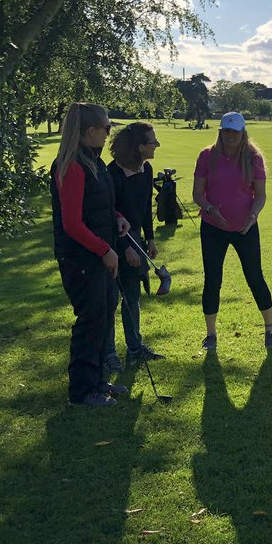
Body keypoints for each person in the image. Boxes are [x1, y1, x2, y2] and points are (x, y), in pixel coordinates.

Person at [51, 103, 129, 407]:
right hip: (81, 259)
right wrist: (104, 250)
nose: (110, 133)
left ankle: (97, 382)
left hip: (100, 254)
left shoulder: (93, 162)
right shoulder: (71, 165)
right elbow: (72, 223)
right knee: (91, 320)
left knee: (104, 313)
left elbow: (99, 205)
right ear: (90, 132)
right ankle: (82, 392)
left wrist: (117, 217)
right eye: (107, 128)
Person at [192, 112, 272, 351]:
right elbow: (198, 193)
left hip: (245, 227)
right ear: (220, 132)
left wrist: (253, 215)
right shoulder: (207, 156)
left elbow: (260, 195)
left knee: (254, 276)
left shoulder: (253, 158)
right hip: (213, 227)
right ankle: (211, 334)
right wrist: (209, 208)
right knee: (212, 279)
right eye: (226, 131)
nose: (230, 136)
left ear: (243, 134)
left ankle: (270, 328)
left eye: (235, 132)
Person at [103, 121, 164, 372]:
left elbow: (145, 208)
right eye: (152, 142)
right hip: (112, 243)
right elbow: (108, 216)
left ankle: (135, 347)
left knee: (133, 296)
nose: (157, 145)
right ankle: (108, 354)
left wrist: (149, 239)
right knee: (112, 299)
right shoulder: (112, 174)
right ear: (140, 147)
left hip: (135, 240)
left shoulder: (146, 170)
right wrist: (124, 247)